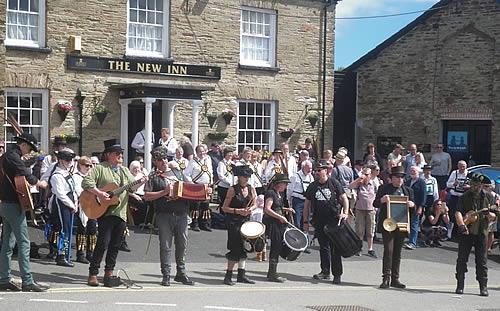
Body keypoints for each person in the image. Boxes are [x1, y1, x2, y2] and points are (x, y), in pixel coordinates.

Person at [82, 139, 147, 287]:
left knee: (116, 244)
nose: (120, 155)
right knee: (102, 243)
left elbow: (132, 188)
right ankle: (93, 273)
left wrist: (141, 182)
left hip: (121, 212)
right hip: (105, 212)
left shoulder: (124, 170)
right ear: (109, 154)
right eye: (117, 153)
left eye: (121, 153)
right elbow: (86, 182)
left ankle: (109, 272)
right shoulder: (100, 168)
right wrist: (99, 193)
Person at [0, 133, 48, 292]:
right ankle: (27, 281)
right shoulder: (12, 156)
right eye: (29, 148)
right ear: (24, 145)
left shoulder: (10, 156)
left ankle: (4, 278)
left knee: (8, 243)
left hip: (7, 204)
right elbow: (24, 173)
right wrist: (38, 182)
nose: (29, 152)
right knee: (24, 243)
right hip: (13, 205)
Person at [143, 146, 194, 286]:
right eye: (160, 160)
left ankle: (181, 273)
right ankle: (166, 274)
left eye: (165, 158)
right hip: (164, 214)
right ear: (155, 162)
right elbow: (146, 196)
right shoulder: (153, 177)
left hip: (182, 213)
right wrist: (164, 192)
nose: (164, 161)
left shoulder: (177, 173)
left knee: (182, 244)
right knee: (165, 246)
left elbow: (189, 187)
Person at [303, 161, 349, 284]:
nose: (317, 172)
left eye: (319, 170)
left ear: (326, 170)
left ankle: (337, 274)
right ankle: (325, 271)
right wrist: (305, 221)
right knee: (324, 247)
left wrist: (345, 212)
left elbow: (344, 198)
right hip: (319, 221)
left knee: (335, 248)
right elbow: (307, 205)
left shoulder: (334, 183)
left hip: (333, 220)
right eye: (316, 170)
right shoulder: (313, 186)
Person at [454, 173, 498, 296]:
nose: (475, 187)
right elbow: (458, 212)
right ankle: (460, 285)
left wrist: (491, 216)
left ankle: (483, 287)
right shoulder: (464, 197)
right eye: (473, 184)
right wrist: (462, 225)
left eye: (477, 185)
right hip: (467, 233)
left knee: (482, 261)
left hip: (481, 232)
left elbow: (495, 215)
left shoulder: (488, 197)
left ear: (481, 185)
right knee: (462, 259)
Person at [374, 166, 415, 289]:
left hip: (401, 224)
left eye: (402, 177)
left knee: (397, 252)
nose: (400, 179)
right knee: (389, 251)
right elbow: (375, 203)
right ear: (391, 178)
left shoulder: (408, 191)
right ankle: (386, 277)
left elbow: (414, 208)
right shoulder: (384, 189)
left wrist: (412, 205)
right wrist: (382, 200)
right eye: (397, 177)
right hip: (388, 224)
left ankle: (395, 279)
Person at [221, 165, 257, 285]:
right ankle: (228, 275)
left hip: (245, 221)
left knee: (245, 247)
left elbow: (255, 203)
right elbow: (224, 208)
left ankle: (241, 274)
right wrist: (238, 211)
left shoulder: (251, 189)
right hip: (234, 222)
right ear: (239, 177)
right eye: (244, 176)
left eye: (248, 176)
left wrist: (251, 208)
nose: (247, 179)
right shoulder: (232, 189)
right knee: (235, 248)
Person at [47, 148, 78, 267]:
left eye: (70, 160)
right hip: (61, 203)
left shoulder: (67, 173)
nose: (69, 162)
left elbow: (73, 189)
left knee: (68, 229)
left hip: (69, 202)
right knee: (64, 230)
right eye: (66, 160)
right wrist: (71, 204)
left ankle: (65, 253)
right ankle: (61, 255)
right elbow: (60, 194)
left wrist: (75, 202)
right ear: (60, 160)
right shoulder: (57, 175)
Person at [262, 173, 293, 282]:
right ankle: (272, 274)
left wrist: (285, 210)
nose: (286, 186)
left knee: (278, 246)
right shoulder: (271, 193)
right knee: (275, 247)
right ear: (278, 184)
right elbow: (267, 209)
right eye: (284, 183)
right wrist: (280, 217)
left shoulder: (278, 194)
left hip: (278, 223)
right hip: (273, 224)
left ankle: (272, 272)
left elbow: (277, 207)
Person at [72, 156, 97, 264]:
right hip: (82, 205)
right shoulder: (76, 177)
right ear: (80, 165)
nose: (88, 167)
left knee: (92, 230)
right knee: (82, 229)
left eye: (90, 165)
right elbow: (78, 190)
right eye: (86, 165)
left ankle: (90, 253)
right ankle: (80, 254)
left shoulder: (92, 177)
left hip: (93, 205)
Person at [349, 167, 377, 258]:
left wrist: (376, 207)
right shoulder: (359, 184)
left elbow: (378, 194)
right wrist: (358, 179)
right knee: (359, 230)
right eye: (364, 174)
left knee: (370, 230)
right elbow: (350, 186)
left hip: (371, 209)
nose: (365, 176)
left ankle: (370, 249)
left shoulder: (374, 183)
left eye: (367, 174)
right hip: (360, 209)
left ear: (371, 175)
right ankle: (359, 248)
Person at [184, 144, 213, 231]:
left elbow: (210, 171)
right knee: (196, 206)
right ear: (196, 152)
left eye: (203, 151)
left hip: (206, 185)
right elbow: (186, 174)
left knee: (206, 206)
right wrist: (192, 184)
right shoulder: (193, 162)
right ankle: (195, 224)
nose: (202, 153)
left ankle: (205, 224)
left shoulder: (208, 159)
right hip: (197, 185)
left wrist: (210, 182)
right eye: (200, 151)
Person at [287, 160, 314, 230]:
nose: (310, 170)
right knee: (297, 221)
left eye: (311, 168)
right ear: (303, 167)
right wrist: (289, 201)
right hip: (297, 201)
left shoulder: (311, 177)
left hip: (307, 202)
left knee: (305, 222)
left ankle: (304, 237)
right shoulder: (295, 176)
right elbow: (289, 189)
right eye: (308, 168)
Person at [404, 166, 426, 250]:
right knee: (406, 224)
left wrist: (421, 207)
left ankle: (412, 243)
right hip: (406, 206)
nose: (412, 172)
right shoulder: (408, 182)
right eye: (411, 171)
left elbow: (424, 196)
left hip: (416, 207)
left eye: (414, 171)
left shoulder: (421, 182)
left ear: (418, 172)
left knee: (414, 224)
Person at [446, 160, 469, 238]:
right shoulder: (454, 173)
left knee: (463, 214)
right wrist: (453, 184)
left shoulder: (469, 174)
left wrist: (468, 187)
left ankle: (461, 232)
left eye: (464, 166)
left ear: (466, 166)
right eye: (460, 166)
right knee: (452, 214)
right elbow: (447, 184)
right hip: (454, 197)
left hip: (464, 197)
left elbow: (473, 185)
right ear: (458, 166)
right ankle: (449, 233)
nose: (462, 168)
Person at [217, 148, 235, 213]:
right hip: (223, 187)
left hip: (231, 187)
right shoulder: (221, 163)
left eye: (231, 153)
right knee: (223, 203)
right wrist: (229, 182)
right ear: (225, 154)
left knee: (230, 203)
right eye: (229, 153)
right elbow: (220, 175)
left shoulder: (233, 163)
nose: (230, 155)